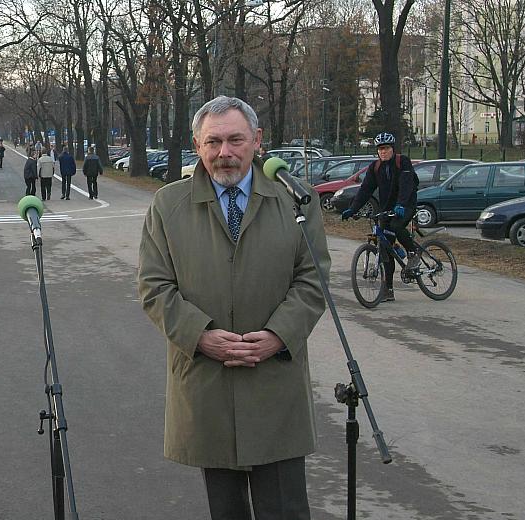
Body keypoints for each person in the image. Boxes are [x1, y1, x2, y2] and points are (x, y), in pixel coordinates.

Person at [137, 96, 329, 520]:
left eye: (236, 140)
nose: (225, 153)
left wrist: (278, 335)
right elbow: (154, 286)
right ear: (197, 144)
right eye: (213, 142)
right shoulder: (169, 206)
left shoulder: (296, 201)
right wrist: (200, 336)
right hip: (208, 383)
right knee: (225, 512)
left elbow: (314, 280)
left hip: (274, 380)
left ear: (257, 140)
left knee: (285, 510)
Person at [341, 131, 420, 302]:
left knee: (398, 226)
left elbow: (407, 185)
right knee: (385, 249)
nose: (383, 152)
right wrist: (353, 209)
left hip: (406, 204)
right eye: (380, 149)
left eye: (386, 148)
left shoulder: (402, 162)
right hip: (387, 208)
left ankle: (413, 252)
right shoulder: (375, 167)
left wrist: (401, 204)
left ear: (392, 149)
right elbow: (365, 190)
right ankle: (388, 290)